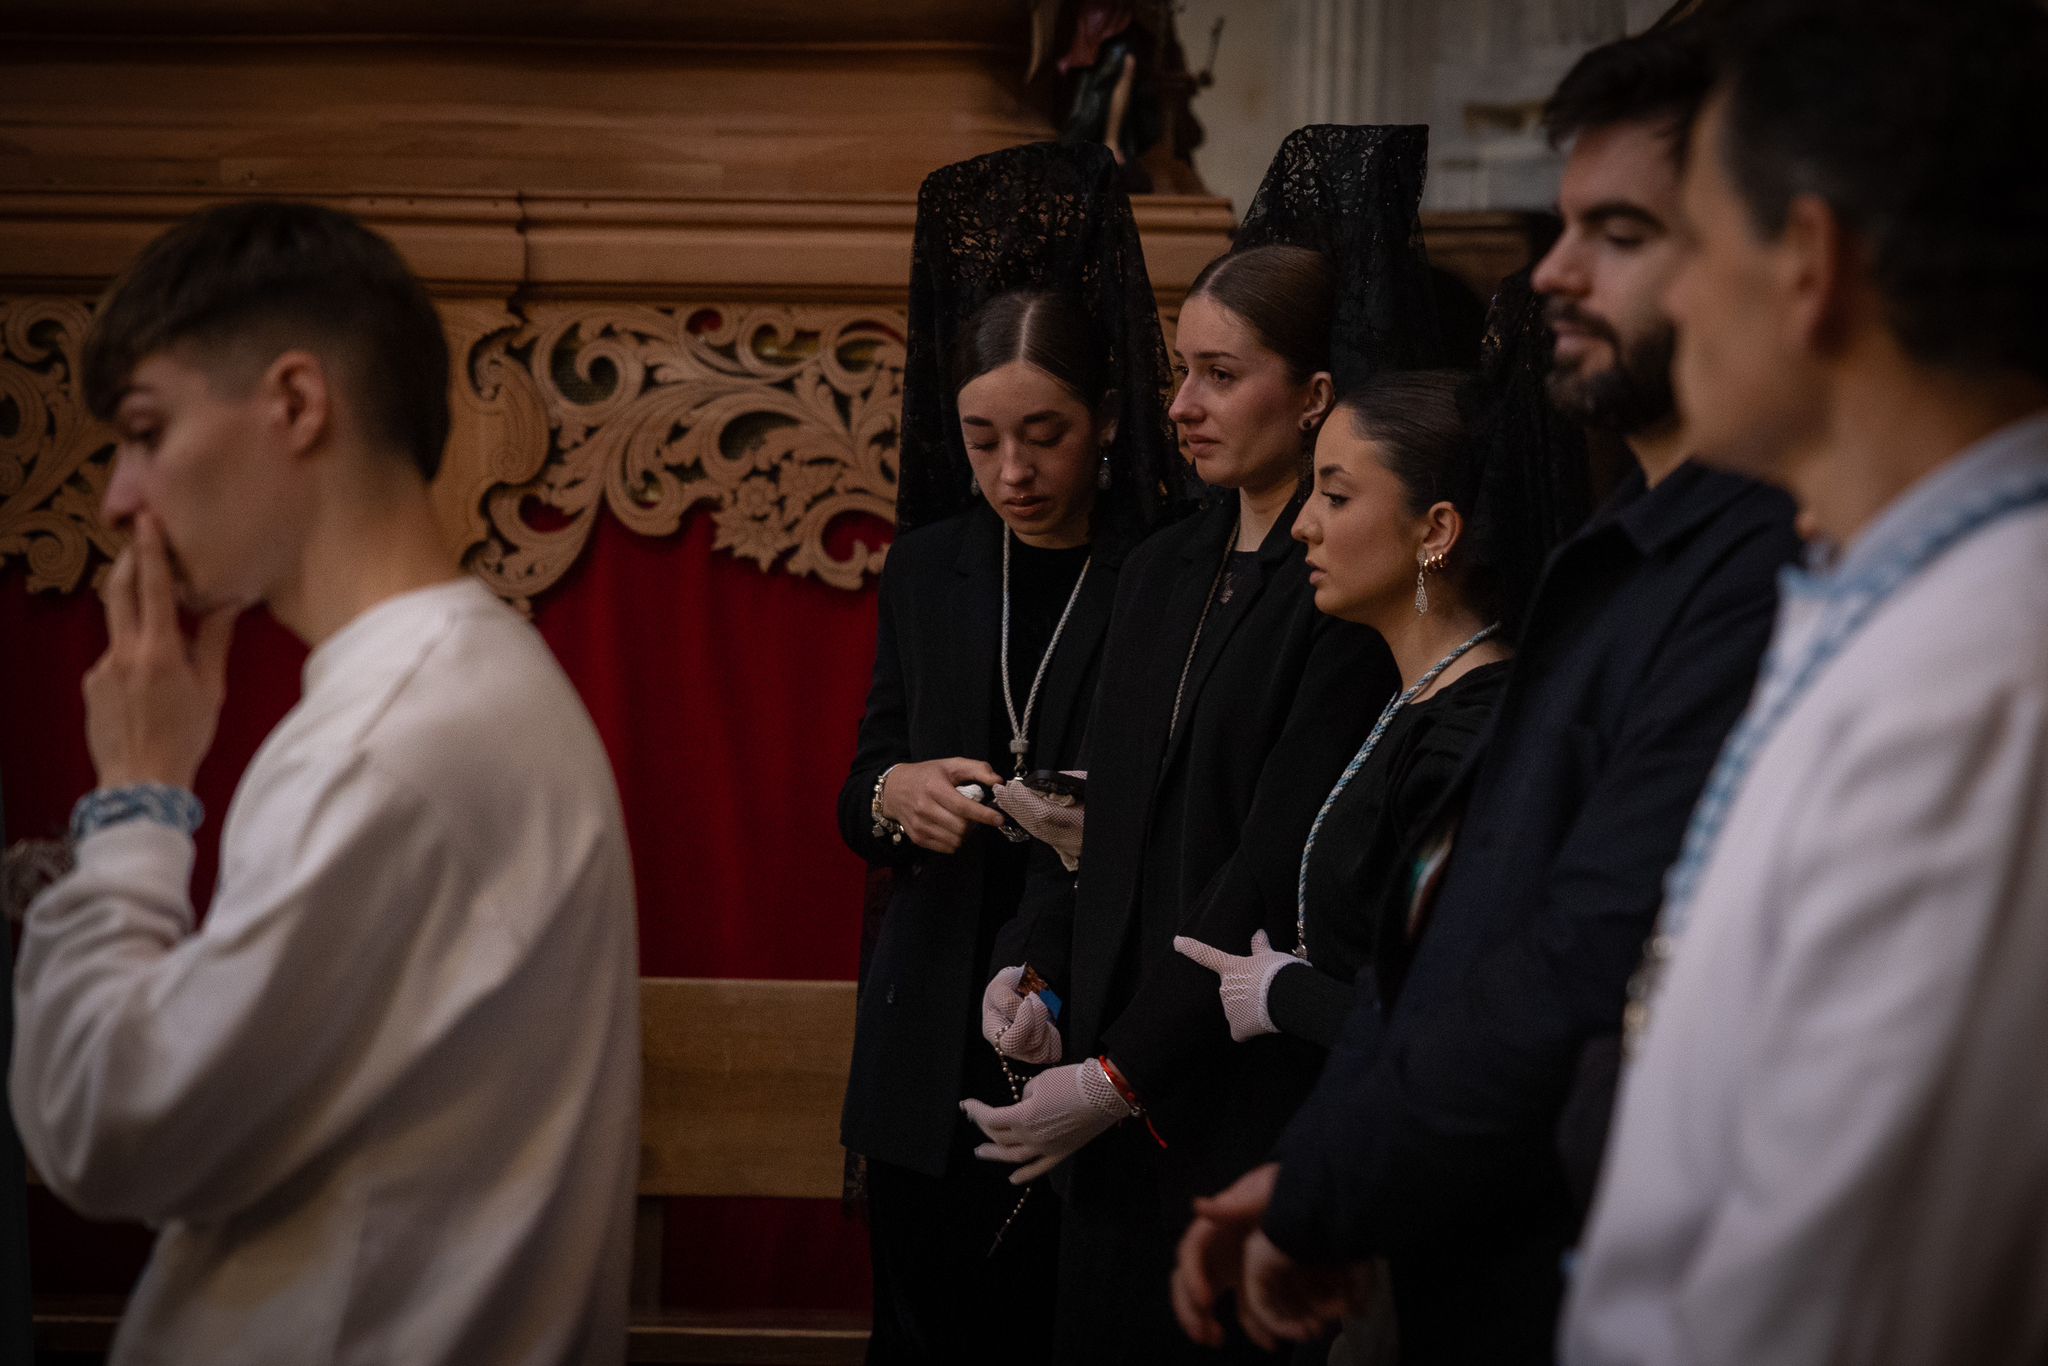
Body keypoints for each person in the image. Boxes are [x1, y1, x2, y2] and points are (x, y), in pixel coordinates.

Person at [1170, 27, 1801, 1363]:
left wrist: (1343, 1173)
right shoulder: (1625, 554)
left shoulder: (1755, 572)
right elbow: (1460, 942)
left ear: (1779, 252)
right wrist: (1333, 1163)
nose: (1554, 272)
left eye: (1618, 231)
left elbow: (1581, 953)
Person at [9, 201, 639, 1365]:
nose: (118, 497)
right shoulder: (461, 679)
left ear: (295, 404)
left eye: (146, 431)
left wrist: (137, 800)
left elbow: (107, 1129)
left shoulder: (393, 734)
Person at [1565, 4, 2048, 1362]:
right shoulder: (1880, 587)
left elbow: (1837, 1305)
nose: (1675, 300)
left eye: (1692, 244)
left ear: (1809, 267)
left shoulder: (1979, 685)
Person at [967, 124, 1435, 1364]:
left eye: (1220, 376)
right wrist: (1040, 977)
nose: (1179, 406)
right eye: (1179, 372)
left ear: (1315, 395)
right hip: (1108, 1075)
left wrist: (1122, 1071)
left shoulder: (1334, 588)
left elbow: (1264, 860)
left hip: (1226, 1094)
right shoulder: (1164, 564)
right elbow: (1097, 818)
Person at [834, 140, 1188, 1365]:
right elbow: (859, 775)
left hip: (1085, 1024)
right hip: (924, 1024)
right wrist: (895, 793)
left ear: (1105, 422)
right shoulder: (932, 564)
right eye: (982, 438)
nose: (1011, 473)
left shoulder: (1166, 570)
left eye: (1043, 434)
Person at [1172, 277, 1586, 1059]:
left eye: (1334, 496)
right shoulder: (1411, 698)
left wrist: (1288, 994)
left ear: (1436, 531)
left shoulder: (1467, 739)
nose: (1302, 526)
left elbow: (1458, 1025)